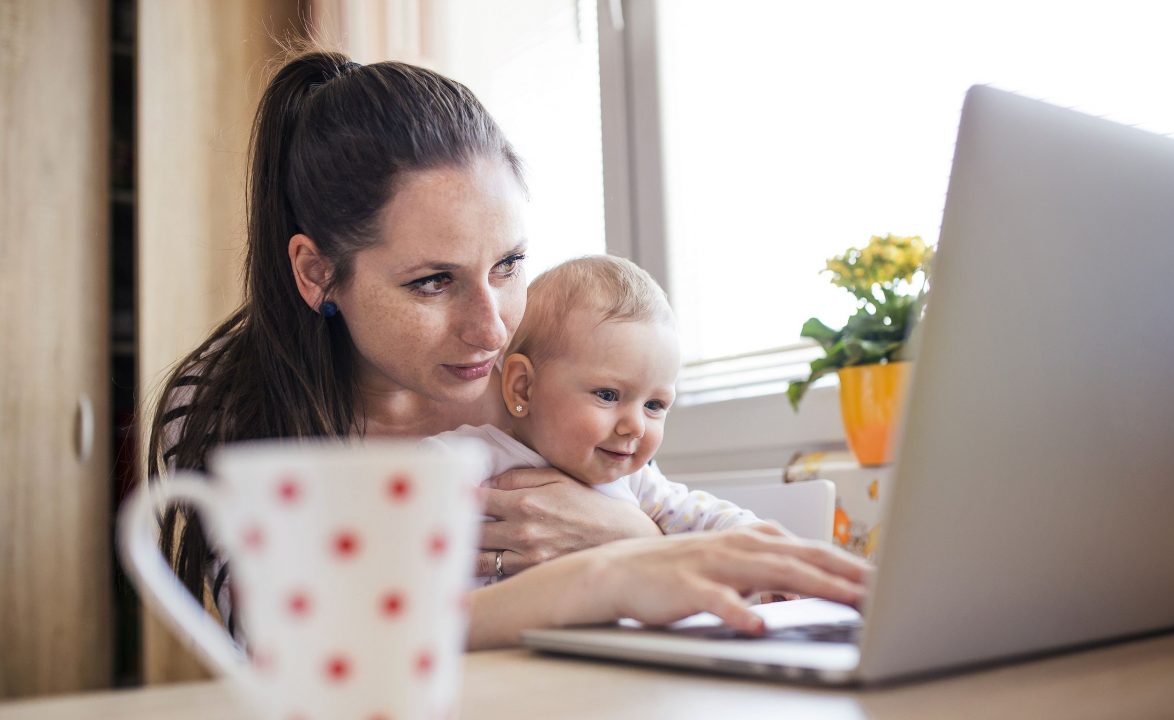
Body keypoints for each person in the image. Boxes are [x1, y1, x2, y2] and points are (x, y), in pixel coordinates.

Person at [146, 49, 871, 649]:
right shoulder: (225, 401)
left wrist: (629, 536)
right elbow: (293, 650)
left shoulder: (541, 364)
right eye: (433, 282)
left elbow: (651, 507)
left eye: (509, 265)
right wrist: (606, 571)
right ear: (316, 273)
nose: (491, 330)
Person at [425, 255, 775, 587]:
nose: (635, 426)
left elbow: (708, 520)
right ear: (523, 387)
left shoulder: (639, 483)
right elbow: (392, 515)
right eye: (608, 395)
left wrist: (768, 557)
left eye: (654, 404)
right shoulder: (468, 458)